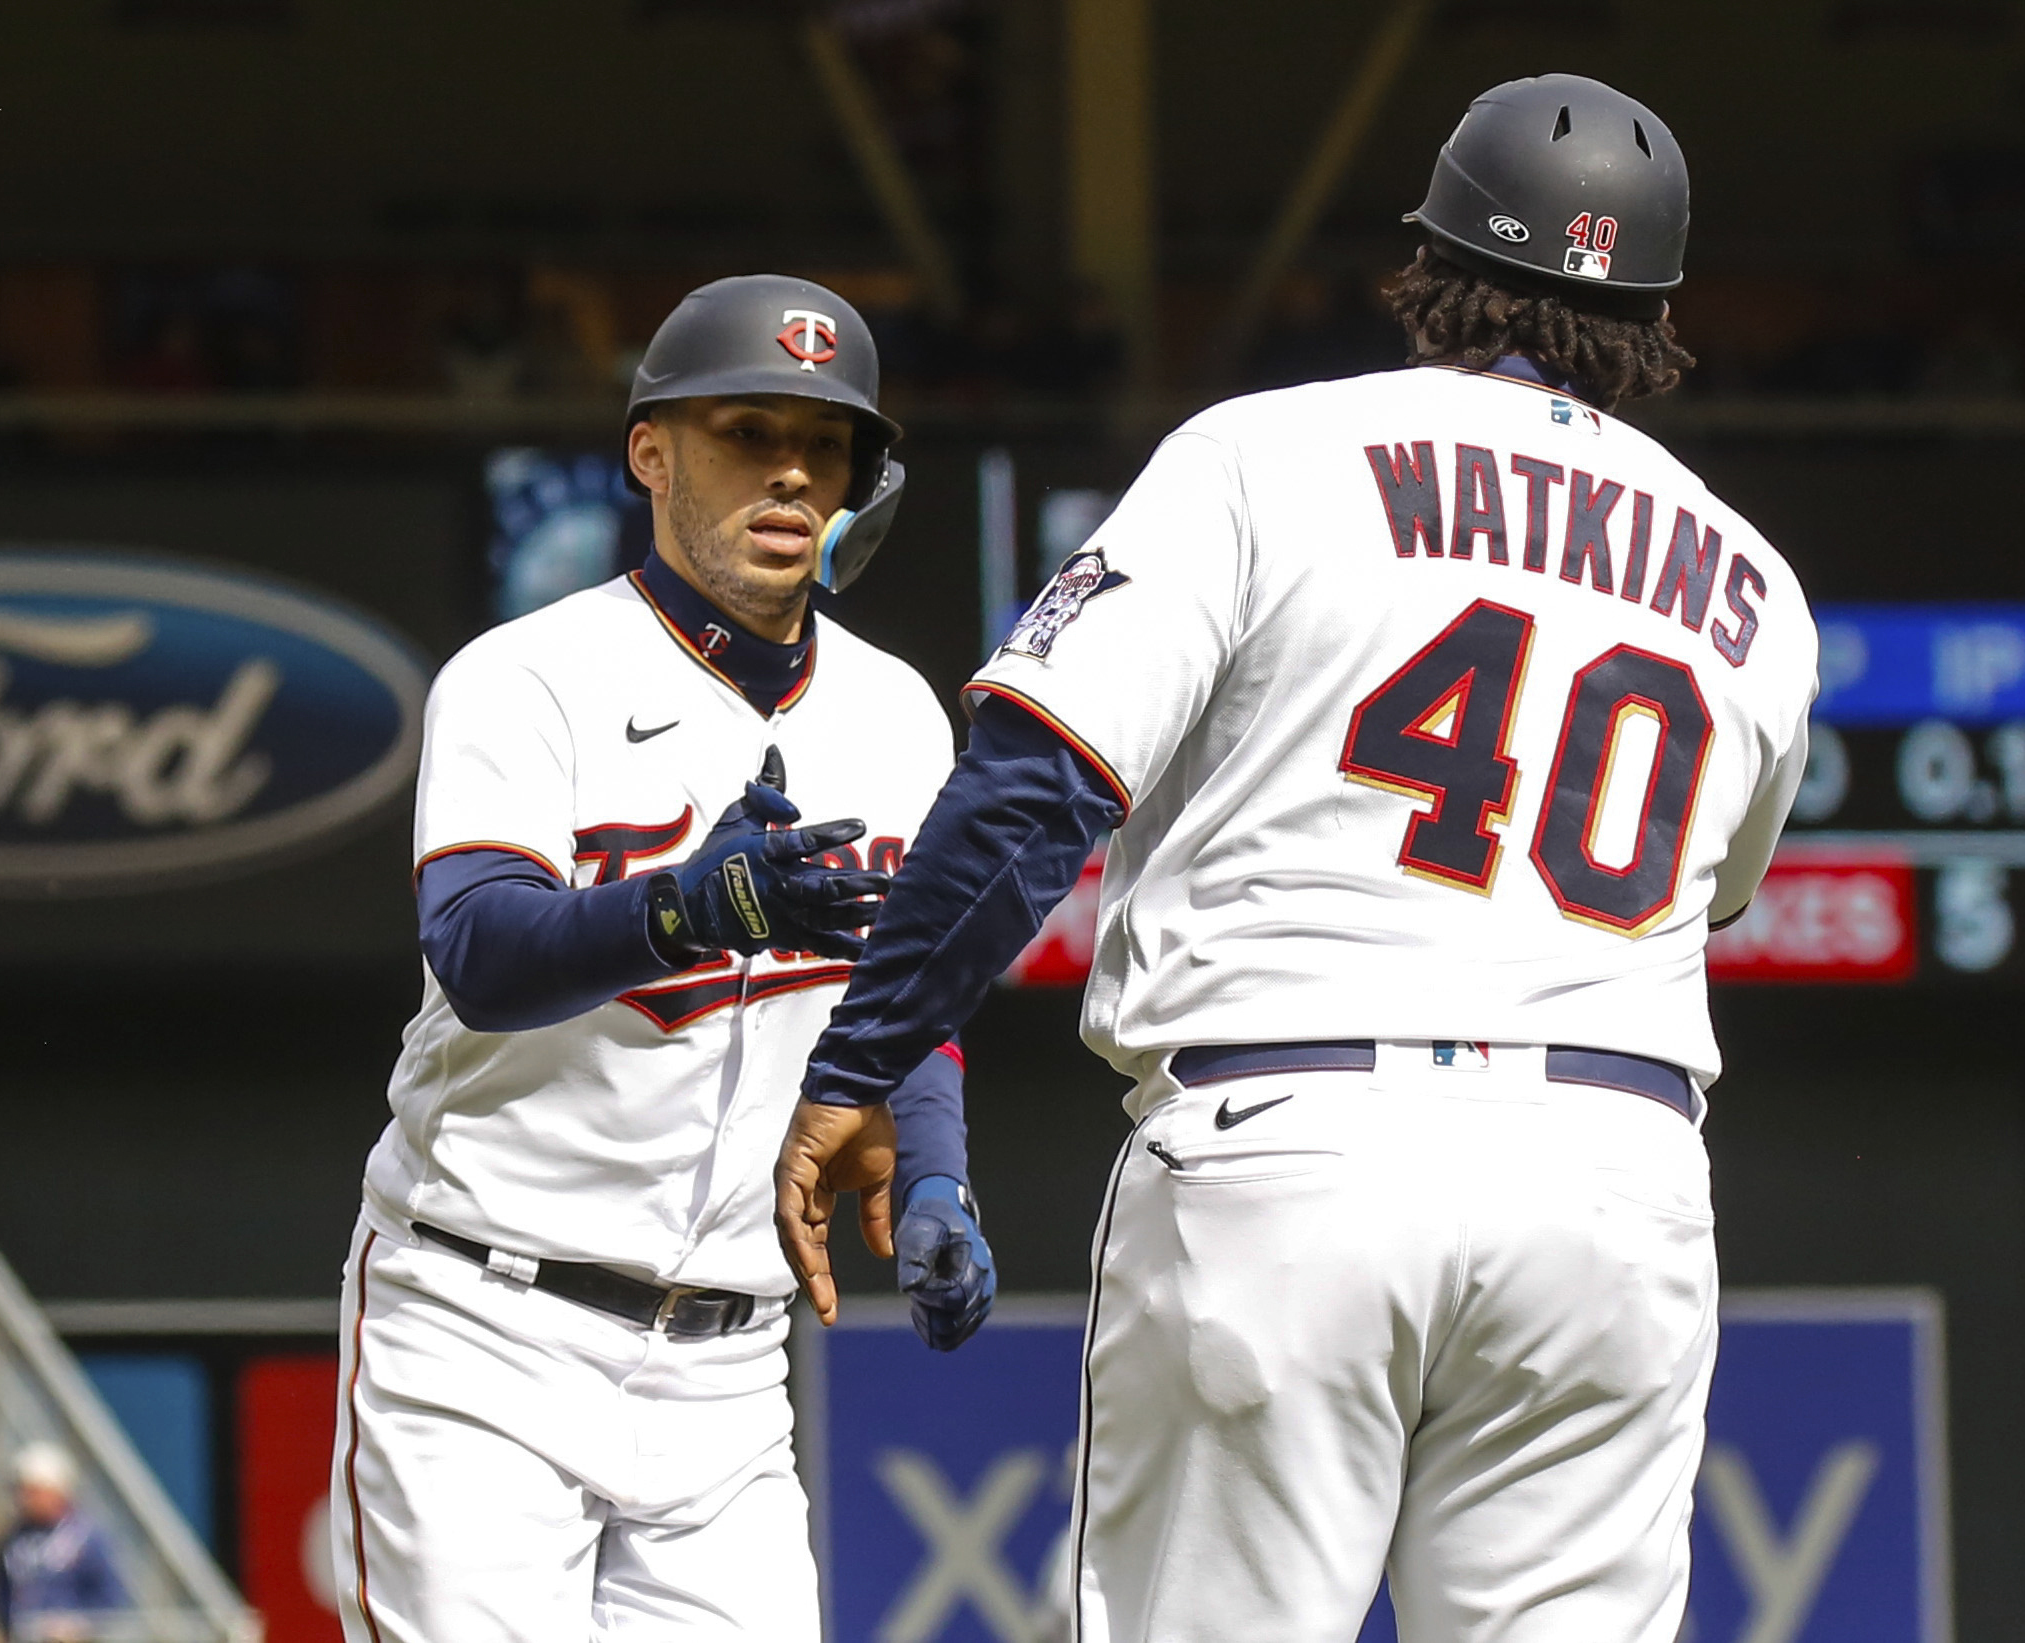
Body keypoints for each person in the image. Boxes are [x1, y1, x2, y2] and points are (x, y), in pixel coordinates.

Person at [777, 73, 1817, 1643]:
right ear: (1659, 316)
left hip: (1295, 1138)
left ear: (1433, 262)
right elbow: (1712, 888)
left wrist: (862, 1056)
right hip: (1615, 1180)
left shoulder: (1274, 453)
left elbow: (1029, 794)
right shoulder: (1755, 581)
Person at [329, 273, 995, 1643]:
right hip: (484, 1322)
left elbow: (910, 995)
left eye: (831, 445)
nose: (795, 472)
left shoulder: (896, 712)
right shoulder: (527, 675)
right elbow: (481, 953)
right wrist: (684, 909)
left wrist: (936, 1170)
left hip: (732, 1366)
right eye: (749, 430)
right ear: (652, 451)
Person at [0, 1443, 125, 1643]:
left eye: (34, 1491)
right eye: (21, 1490)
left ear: (57, 1491)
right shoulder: (14, 1539)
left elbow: (109, 1598)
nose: (25, 1499)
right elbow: (1, 1591)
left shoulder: (86, 1539)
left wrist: (75, 1625)